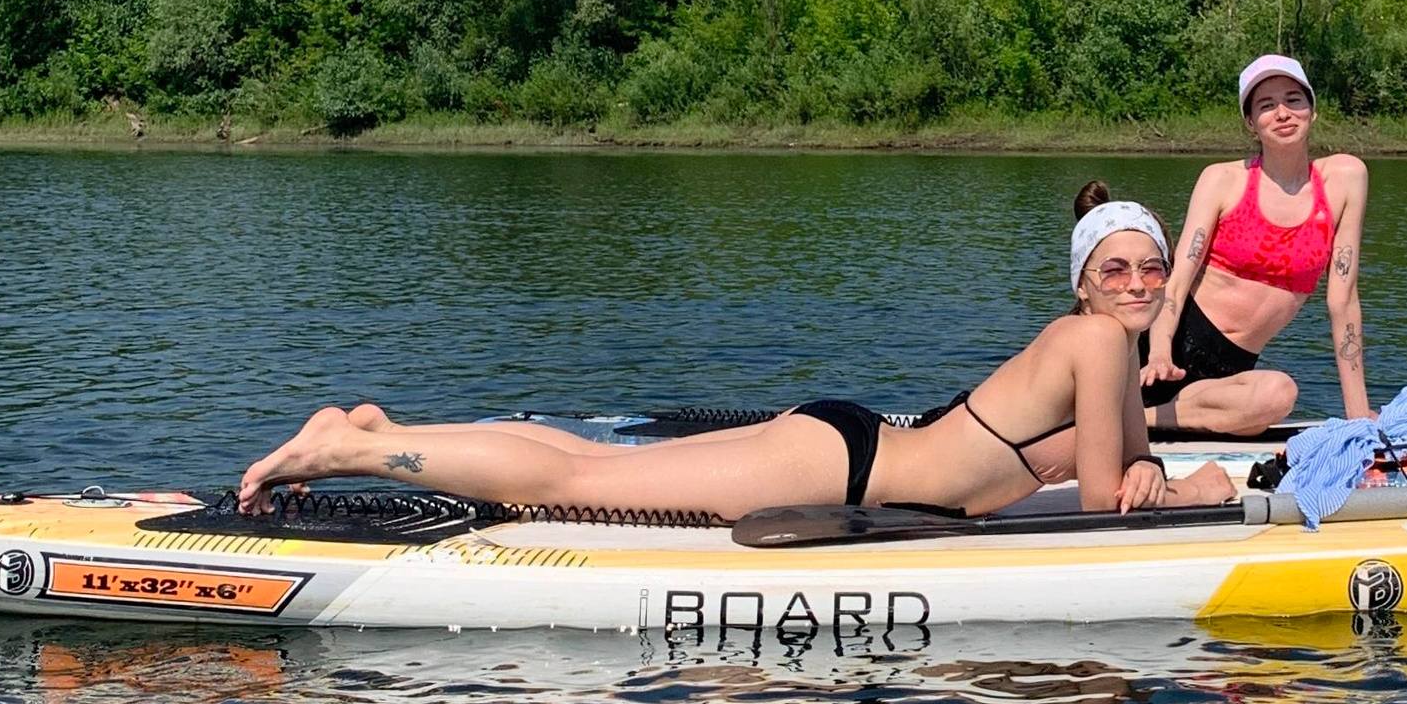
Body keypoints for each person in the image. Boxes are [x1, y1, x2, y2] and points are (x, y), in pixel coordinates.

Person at [237, 195, 1237, 523]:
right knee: (579, 481)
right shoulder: (1099, 341)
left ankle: (384, 429)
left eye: (1153, 263)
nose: (1142, 279)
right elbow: (1116, 494)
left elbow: (1077, 461)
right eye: (1119, 265)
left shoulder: (1091, 348)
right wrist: (1191, 489)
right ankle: (349, 451)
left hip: (852, 446)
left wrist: (1137, 463)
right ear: (1084, 279)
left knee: (600, 463)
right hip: (839, 466)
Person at [1140, 57, 1369, 439]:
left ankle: (1133, 417)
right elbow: (1175, 283)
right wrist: (1159, 351)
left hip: (1224, 380)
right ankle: (1127, 405)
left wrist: (1358, 414)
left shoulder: (1344, 179)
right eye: (1266, 105)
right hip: (1165, 348)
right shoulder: (1222, 180)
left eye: (1294, 100)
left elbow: (1343, 301)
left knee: (1279, 394)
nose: (1282, 113)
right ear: (1251, 122)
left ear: (1312, 110)